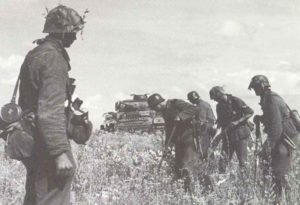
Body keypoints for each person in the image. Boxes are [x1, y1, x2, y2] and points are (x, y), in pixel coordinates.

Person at [18, 5, 86, 204]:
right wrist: (59, 153)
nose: (75, 36)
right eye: (73, 31)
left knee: (35, 197)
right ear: (62, 30)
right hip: (46, 144)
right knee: (53, 197)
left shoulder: (36, 54)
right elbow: (49, 111)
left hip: (33, 138)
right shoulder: (54, 58)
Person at [248, 75, 298, 204]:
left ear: (262, 86)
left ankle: (286, 198)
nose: (254, 91)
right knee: (270, 163)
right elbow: (272, 119)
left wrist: (269, 146)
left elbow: (276, 126)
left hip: (286, 138)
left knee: (279, 168)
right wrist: (260, 118)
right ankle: (276, 196)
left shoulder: (271, 99)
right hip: (282, 136)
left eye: (255, 87)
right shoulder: (267, 98)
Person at [147, 93, 201, 191]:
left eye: (155, 108)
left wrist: (181, 116)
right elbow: (168, 128)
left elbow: (195, 109)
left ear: (158, 104)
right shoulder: (164, 111)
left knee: (188, 164)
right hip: (177, 140)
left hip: (187, 138)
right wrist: (167, 144)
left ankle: (195, 188)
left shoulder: (176, 103)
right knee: (178, 165)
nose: (155, 110)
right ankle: (183, 189)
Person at [209, 86, 253, 173]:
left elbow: (250, 112)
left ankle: (245, 182)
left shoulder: (235, 100)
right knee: (223, 161)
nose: (214, 100)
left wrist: (237, 122)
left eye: (215, 98)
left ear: (219, 94)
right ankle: (221, 179)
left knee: (243, 162)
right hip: (228, 136)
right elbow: (220, 123)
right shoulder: (219, 106)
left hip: (240, 134)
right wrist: (216, 137)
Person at [187, 91, 216, 160]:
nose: (191, 102)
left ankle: (207, 165)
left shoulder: (201, 105)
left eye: (191, 100)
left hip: (205, 129)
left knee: (203, 148)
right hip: (207, 127)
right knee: (206, 148)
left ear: (193, 99)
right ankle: (209, 164)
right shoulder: (203, 104)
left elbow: (201, 121)